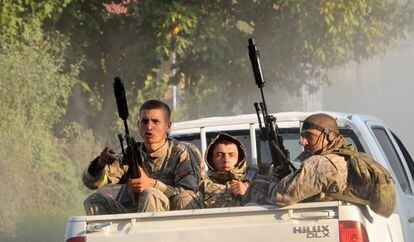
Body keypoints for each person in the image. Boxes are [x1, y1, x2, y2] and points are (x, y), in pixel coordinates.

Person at [82, 99, 204, 215]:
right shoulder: (132, 154)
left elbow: (189, 196)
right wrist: (100, 163)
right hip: (136, 220)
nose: (149, 127)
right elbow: (91, 183)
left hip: (173, 222)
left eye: (155, 121)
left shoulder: (182, 152)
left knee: (151, 194)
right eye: (145, 121)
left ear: (168, 126)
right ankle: (106, 237)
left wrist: (153, 185)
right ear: (138, 124)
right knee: (94, 200)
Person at [267, 113, 373, 206]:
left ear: (330, 136)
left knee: (256, 188)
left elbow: (278, 197)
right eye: (303, 136)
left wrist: (274, 180)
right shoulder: (345, 157)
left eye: (309, 136)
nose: (303, 142)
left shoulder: (319, 164)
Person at [203, 133, 258, 208]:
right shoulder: (201, 186)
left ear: (239, 159)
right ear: (211, 160)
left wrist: (247, 192)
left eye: (231, 155)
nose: (226, 160)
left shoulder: (255, 182)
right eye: (219, 155)